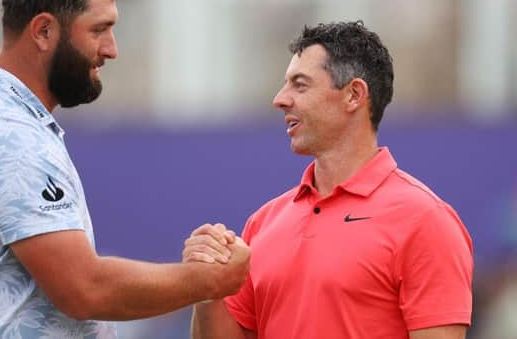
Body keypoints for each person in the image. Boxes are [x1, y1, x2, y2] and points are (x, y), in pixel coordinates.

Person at [0, 0, 249, 339]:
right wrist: (211, 280)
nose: (111, 50)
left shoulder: (4, 119)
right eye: (100, 29)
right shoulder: (3, 131)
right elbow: (84, 288)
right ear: (43, 31)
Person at [186, 21, 473, 339]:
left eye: (300, 84)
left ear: (354, 95)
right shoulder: (263, 222)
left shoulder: (425, 220)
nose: (280, 99)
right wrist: (207, 286)